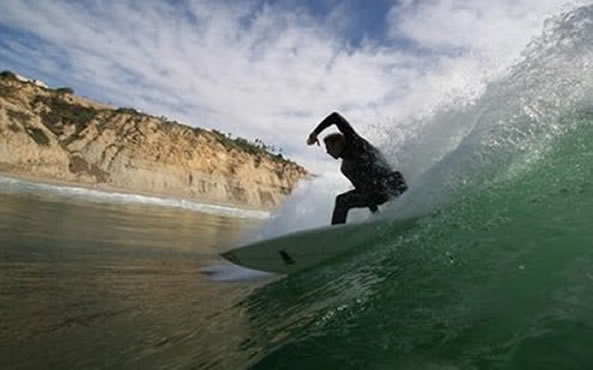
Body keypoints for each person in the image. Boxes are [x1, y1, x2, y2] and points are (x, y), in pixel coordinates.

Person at [307, 112, 407, 225]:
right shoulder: (346, 168)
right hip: (377, 192)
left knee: (395, 177)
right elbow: (364, 192)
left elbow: (335, 117)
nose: (327, 151)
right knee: (342, 201)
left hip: (392, 184)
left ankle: (412, 205)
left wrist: (315, 133)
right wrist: (377, 217)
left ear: (338, 143)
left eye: (328, 147)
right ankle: (336, 234)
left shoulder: (355, 143)